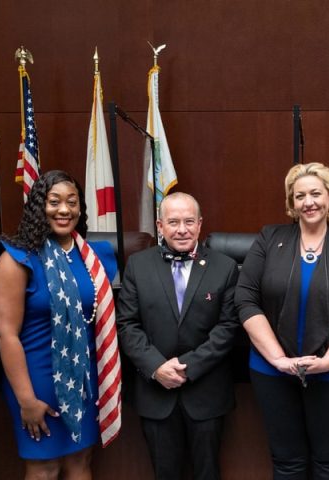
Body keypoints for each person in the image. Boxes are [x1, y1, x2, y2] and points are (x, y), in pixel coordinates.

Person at [235, 162, 329, 479]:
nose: (308, 202)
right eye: (300, 196)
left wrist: (328, 362)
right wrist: (279, 359)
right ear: (292, 203)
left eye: (315, 193)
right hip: (271, 371)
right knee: (287, 463)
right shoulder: (270, 238)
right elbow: (245, 299)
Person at [0, 170, 122, 479]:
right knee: (44, 466)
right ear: (39, 206)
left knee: (81, 459)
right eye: (54, 202)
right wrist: (26, 399)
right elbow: (4, 333)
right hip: (36, 378)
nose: (64, 210)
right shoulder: (18, 258)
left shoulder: (92, 256)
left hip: (85, 377)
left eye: (72, 202)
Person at [116, 192, 239, 480]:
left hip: (206, 391)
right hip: (156, 392)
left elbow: (228, 327)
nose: (181, 229)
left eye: (188, 221)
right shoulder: (137, 265)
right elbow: (127, 324)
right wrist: (156, 367)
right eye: (173, 222)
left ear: (199, 224)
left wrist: (189, 367)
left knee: (208, 473)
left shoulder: (225, 267)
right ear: (160, 226)